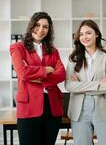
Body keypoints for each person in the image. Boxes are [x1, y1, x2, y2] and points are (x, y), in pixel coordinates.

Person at [10, 12, 66, 145]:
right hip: (28, 106)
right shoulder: (17, 47)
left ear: (49, 30)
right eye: (38, 25)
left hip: (51, 107)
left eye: (45, 27)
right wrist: (46, 70)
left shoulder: (53, 51)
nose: (41, 30)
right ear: (31, 26)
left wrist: (35, 76)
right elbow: (22, 72)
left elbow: (61, 74)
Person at [65, 19, 106, 145]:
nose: (84, 37)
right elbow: (69, 85)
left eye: (88, 33)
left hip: (103, 107)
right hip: (79, 109)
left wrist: (80, 86)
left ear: (97, 34)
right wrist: (98, 83)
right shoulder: (73, 59)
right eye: (81, 34)